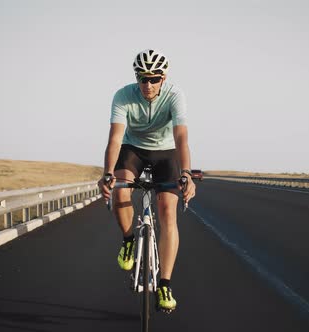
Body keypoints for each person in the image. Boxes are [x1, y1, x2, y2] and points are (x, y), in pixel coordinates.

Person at [98, 49, 196, 312]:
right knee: (120, 191)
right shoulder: (123, 96)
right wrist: (107, 173)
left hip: (166, 153)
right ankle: (129, 240)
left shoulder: (175, 95)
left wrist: (186, 173)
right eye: (143, 78)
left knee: (167, 212)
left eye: (154, 79)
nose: (148, 84)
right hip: (133, 149)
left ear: (163, 79)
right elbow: (115, 139)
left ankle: (164, 283)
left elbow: (181, 138)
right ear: (137, 78)